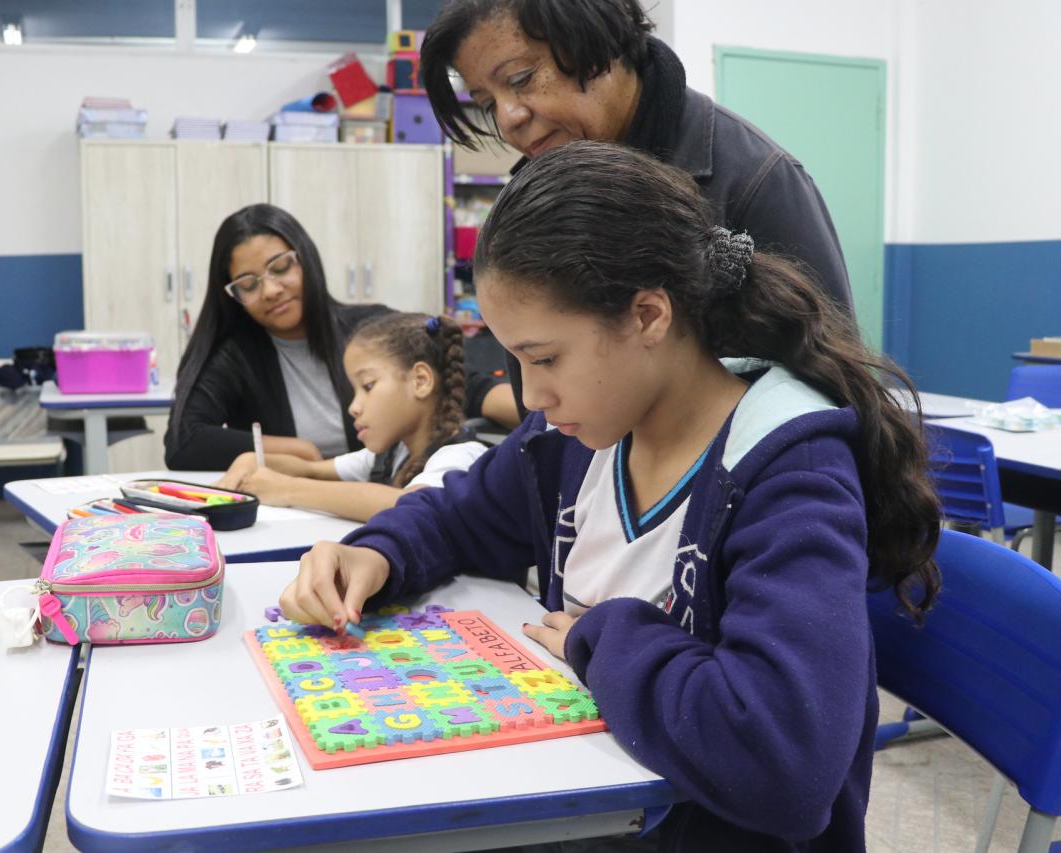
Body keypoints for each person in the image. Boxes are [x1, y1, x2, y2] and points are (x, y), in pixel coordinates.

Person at [279, 143, 941, 850]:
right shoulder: (577, 433)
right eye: (515, 361)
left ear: (649, 315)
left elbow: (783, 761)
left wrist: (602, 638)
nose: (530, 396)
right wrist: (375, 555)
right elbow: (458, 514)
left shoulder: (787, 469)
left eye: (545, 358)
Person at [421, 0, 855, 424]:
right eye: (486, 102)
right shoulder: (530, 196)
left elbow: (833, 390)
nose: (509, 117)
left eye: (521, 77)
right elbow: (538, 417)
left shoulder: (757, 180)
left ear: (596, 35)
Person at [165, 204, 391, 471]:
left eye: (281, 267)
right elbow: (184, 442)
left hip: (383, 501)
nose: (270, 290)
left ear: (306, 259)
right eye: (248, 284)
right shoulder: (233, 355)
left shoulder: (373, 330)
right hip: (287, 507)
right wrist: (293, 448)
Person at [215, 313, 487, 522]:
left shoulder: (461, 457)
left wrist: (287, 490)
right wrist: (252, 460)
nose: (354, 408)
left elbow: (411, 507)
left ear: (420, 381)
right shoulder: (394, 453)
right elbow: (312, 469)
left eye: (367, 386)